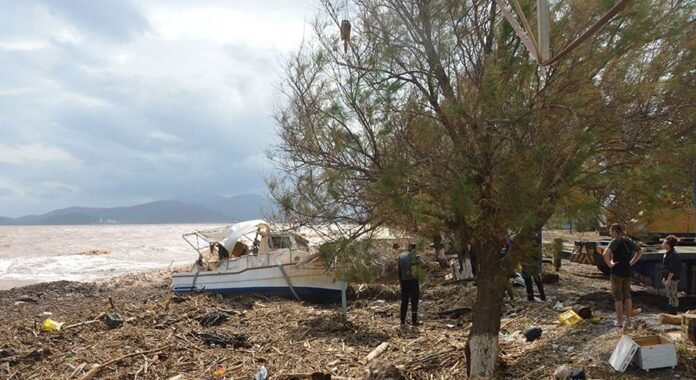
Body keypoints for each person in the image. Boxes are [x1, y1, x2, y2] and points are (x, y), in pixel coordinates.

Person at [602, 223, 644, 328]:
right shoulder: (628, 241)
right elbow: (639, 251)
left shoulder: (614, 241)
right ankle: (628, 320)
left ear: (615, 231)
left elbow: (605, 254)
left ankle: (619, 321)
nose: (609, 233)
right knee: (627, 296)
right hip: (627, 271)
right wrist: (631, 262)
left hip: (617, 272)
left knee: (618, 298)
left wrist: (610, 264)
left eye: (611, 231)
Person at [398, 243, 423, 327]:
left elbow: (399, 271)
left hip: (404, 281)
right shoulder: (416, 257)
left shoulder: (401, 256)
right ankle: (414, 321)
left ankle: (402, 320)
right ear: (414, 249)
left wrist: (401, 282)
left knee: (404, 301)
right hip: (413, 281)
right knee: (414, 301)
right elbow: (423, 266)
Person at [521, 230, 546, 302]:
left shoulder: (533, 237)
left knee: (530, 278)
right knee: (533, 278)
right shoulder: (536, 236)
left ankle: (532, 296)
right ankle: (538, 295)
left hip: (530, 260)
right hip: (532, 261)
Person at [661, 235, 682, 315]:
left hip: (672, 279)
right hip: (667, 278)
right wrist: (664, 278)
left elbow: (672, 269)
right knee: (669, 294)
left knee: (673, 295)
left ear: (668, 244)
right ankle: (670, 310)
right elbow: (665, 267)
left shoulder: (674, 255)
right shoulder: (667, 254)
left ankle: (674, 311)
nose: (662, 244)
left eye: (664, 242)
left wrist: (669, 279)